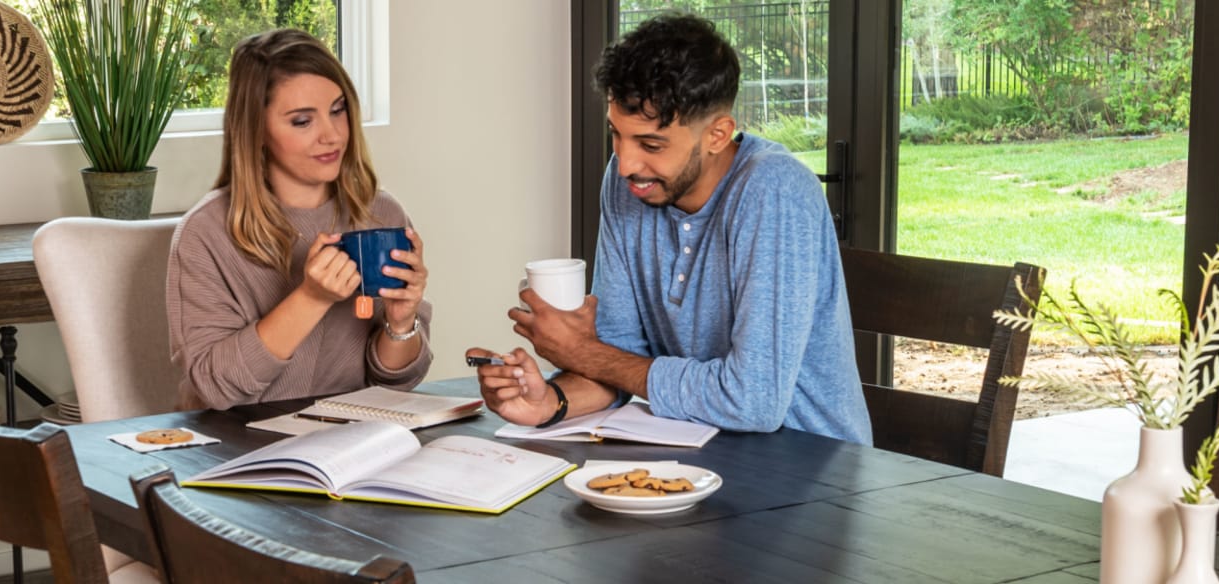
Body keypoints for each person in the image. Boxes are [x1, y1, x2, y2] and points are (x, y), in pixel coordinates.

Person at [468, 13, 871, 444]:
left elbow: (752, 401)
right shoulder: (630, 185)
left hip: (810, 466)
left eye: (651, 145)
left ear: (718, 134)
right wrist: (550, 400)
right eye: (616, 135)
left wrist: (583, 352)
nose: (625, 164)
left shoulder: (774, 190)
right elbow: (619, 357)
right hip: (698, 453)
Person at [168, 29, 433, 410]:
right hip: (235, 450)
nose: (332, 135)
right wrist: (311, 298)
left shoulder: (380, 215)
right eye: (302, 121)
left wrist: (402, 322)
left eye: (338, 110)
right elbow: (214, 388)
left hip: (350, 443)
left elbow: (397, 384)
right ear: (256, 130)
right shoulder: (206, 233)